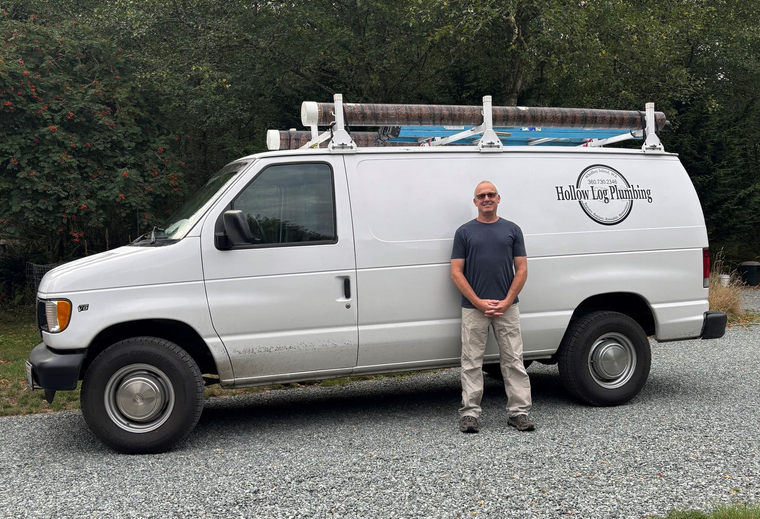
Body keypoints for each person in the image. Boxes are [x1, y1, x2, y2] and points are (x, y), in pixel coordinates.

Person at [450, 180, 535, 433]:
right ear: (475, 202)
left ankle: (519, 413)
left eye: (490, 194)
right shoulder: (464, 232)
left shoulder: (512, 230)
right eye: (481, 195)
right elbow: (456, 272)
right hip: (474, 308)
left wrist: (507, 301)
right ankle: (470, 414)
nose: (486, 198)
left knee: (513, 361)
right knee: (471, 362)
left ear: (499, 199)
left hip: (507, 308)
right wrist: (478, 302)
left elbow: (521, 269)